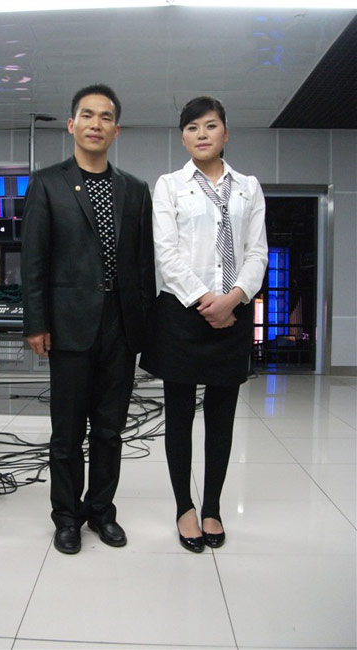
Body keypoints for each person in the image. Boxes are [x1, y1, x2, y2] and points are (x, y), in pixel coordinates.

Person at [21, 84, 156, 554]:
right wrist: (36, 322)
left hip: (121, 327)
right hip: (69, 325)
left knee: (109, 430)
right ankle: (66, 516)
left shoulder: (135, 190)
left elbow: (144, 266)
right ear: (71, 124)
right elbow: (33, 260)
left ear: (116, 130)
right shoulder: (47, 183)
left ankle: (100, 510)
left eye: (106, 117)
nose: (96, 124)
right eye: (87, 115)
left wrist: (144, 328)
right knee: (67, 432)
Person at [140, 96, 267, 553]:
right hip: (182, 312)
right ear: (183, 137)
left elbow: (257, 252)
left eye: (210, 126)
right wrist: (205, 300)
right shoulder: (170, 185)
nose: (201, 134)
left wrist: (233, 297)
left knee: (221, 417)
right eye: (192, 127)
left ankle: (212, 507)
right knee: (178, 416)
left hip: (233, 312)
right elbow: (166, 253)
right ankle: (184, 508)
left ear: (225, 133)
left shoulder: (249, 187)